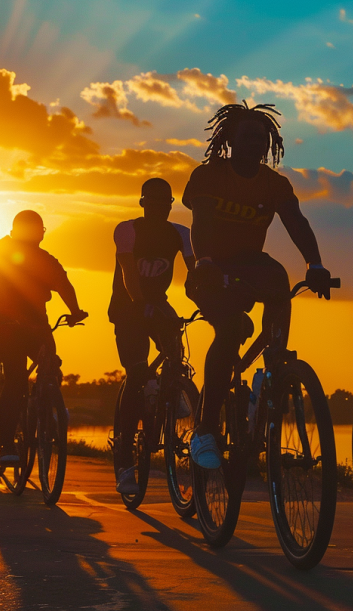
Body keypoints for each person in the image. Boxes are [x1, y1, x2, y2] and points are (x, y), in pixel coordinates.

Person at [181, 103, 334, 469]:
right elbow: (199, 221)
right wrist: (203, 261)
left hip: (250, 265)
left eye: (261, 138)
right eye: (247, 136)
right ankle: (204, 430)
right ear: (230, 140)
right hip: (210, 267)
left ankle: (275, 368)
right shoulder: (208, 176)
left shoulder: (274, 184)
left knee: (279, 278)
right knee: (230, 330)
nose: (255, 143)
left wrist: (315, 264)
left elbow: (296, 222)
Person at [109, 178, 196, 493]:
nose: (159, 208)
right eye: (153, 203)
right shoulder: (127, 229)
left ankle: (172, 391)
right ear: (142, 204)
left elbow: (194, 271)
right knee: (136, 374)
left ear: (171, 206)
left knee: (176, 348)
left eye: (165, 203)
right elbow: (128, 271)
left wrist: (206, 298)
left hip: (158, 305)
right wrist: (139, 303)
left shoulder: (181, 233)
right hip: (126, 308)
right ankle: (124, 462)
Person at [0, 210, 89, 466]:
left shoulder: (45, 260)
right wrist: (12, 316)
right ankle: (7, 445)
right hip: (7, 328)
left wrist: (75, 311)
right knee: (16, 379)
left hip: (35, 325)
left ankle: (45, 406)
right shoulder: (3, 256)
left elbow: (64, 285)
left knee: (51, 365)